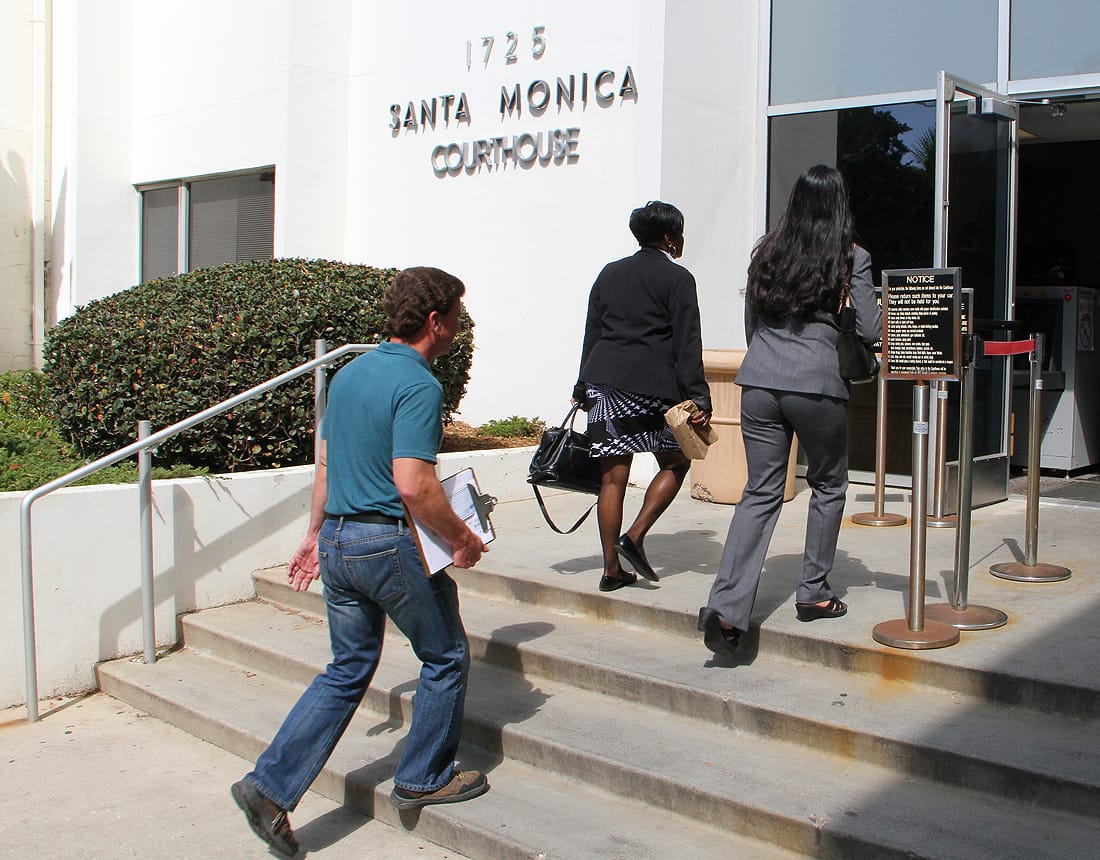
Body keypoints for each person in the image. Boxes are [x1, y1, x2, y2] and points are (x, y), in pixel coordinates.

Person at [231, 267, 490, 857]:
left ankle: (269, 788)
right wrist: (462, 539)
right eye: (455, 317)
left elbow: (325, 464)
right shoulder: (420, 385)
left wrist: (313, 533)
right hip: (385, 544)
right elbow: (414, 484)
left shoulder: (347, 375)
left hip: (339, 544)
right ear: (434, 322)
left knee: (347, 669)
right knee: (445, 654)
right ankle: (423, 777)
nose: (457, 329)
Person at [699, 165, 881, 658]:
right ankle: (814, 592)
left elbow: (750, 323)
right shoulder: (851, 257)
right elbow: (868, 331)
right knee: (828, 485)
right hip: (818, 383)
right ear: (839, 206)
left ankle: (727, 609)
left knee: (759, 492)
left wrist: (770, 360)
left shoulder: (769, 251)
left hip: (759, 381)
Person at [574, 201, 712, 593]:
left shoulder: (609, 273)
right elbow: (688, 343)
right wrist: (699, 397)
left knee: (612, 480)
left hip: (604, 382)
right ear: (669, 237)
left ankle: (611, 569)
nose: (681, 239)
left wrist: (582, 385)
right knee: (677, 461)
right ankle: (634, 536)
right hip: (653, 386)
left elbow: (593, 331)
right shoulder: (678, 279)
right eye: (679, 232)